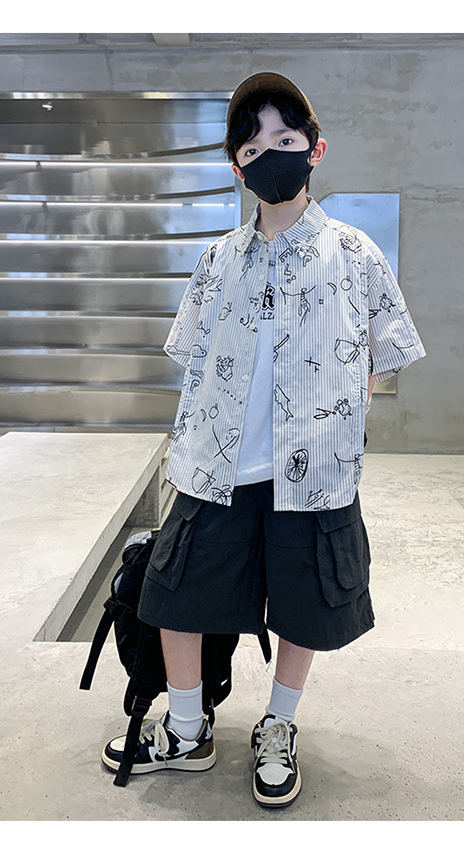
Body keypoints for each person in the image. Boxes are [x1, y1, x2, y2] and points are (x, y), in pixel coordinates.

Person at [102, 71, 426, 808]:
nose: (269, 154)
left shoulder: (356, 254)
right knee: (174, 594)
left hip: (314, 473)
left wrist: (331, 413)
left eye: (284, 138)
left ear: (315, 148)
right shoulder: (217, 259)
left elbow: (384, 355)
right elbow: (192, 354)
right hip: (217, 467)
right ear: (237, 168)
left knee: (304, 604)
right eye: (252, 148)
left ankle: (278, 724)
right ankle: (187, 730)